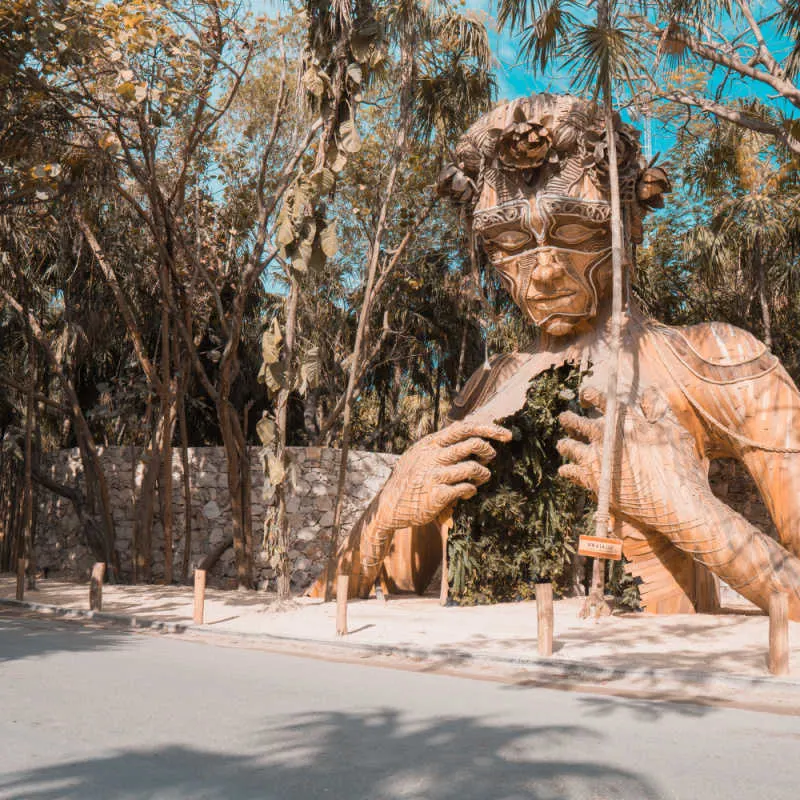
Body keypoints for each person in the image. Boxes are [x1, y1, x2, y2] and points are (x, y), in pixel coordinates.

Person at [331, 93, 800, 619]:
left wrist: (689, 513)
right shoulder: (488, 385)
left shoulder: (716, 361)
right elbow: (372, 590)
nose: (545, 272)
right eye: (508, 243)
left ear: (629, 226)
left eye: (574, 230)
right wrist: (389, 507)